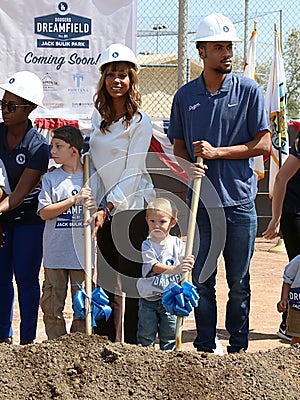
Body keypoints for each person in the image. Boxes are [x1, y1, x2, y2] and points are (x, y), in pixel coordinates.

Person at [168, 13, 270, 354]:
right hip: (202, 204)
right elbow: (179, 147)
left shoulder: (250, 91)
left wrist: (217, 152)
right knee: (202, 280)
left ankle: (238, 351)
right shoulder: (185, 96)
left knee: (239, 282)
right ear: (201, 51)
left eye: (229, 46)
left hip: (240, 203)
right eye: (218, 47)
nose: (226, 53)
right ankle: (206, 348)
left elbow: (263, 145)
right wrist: (188, 167)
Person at [88, 43, 155, 344]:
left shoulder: (141, 121)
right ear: (103, 79)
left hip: (131, 209)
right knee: (105, 280)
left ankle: (134, 348)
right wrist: (92, 202)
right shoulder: (96, 120)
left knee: (130, 281)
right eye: (111, 74)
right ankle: (107, 345)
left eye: (123, 75)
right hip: (103, 210)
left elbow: (132, 171)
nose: (117, 80)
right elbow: (96, 166)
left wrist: (109, 207)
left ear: (132, 81)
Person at [38, 126, 104, 339]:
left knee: (83, 306)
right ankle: (56, 347)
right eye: (52, 146)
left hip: (82, 256)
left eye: (58, 146)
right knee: (51, 306)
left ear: (74, 151)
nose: (53, 151)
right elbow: (45, 213)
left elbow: (98, 216)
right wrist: (73, 200)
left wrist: (94, 207)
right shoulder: (51, 179)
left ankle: (79, 347)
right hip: (55, 254)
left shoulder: (92, 177)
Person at [0, 71, 50, 345]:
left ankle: (28, 343)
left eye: (11, 106)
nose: (5, 110)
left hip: (28, 220)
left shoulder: (38, 147)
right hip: (1, 218)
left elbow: (19, 195)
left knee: (26, 280)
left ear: (29, 109)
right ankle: (3, 338)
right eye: (2, 104)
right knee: (0, 278)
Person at [136, 198, 194, 351]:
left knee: (169, 337)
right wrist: (175, 269)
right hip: (149, 299)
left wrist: (187, 264)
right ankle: (145, 362)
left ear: (172, 223)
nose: (156, 225)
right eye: (152, 221)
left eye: (162, 222)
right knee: (145, 336)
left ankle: (167, 364)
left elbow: (185, 268)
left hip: (170, 299)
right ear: (146, 221)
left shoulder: (178, 244)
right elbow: (154, 266)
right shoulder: (147, 244)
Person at [263, 130, 300, 341]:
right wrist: (275, 218)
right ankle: (288, 325)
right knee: (298, 270)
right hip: (295, 213)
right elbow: (280, 178)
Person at [277, 254, 300, 346]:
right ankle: (293, 357)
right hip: (297, 306)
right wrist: (284, 299)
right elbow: (287, 280)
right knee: (297, 337)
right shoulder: (298, 260)